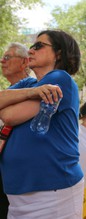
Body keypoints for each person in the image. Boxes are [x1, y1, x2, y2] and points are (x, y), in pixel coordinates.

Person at [0, 30, 83, 218]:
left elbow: (10, 115)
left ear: (59, 53)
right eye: (31, 46)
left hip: (52, 197)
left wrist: (9, 104)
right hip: (18, 200)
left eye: (38, 46)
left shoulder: (60, 78)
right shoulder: (28, 84)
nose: (30, 51)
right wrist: (32, 92)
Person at [0, 42, 35, 218]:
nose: (1, 61)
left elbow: (8, 117)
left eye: (7, 57)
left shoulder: (34, 87)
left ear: (24, 62)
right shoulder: (7, 93)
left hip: (23, 182)